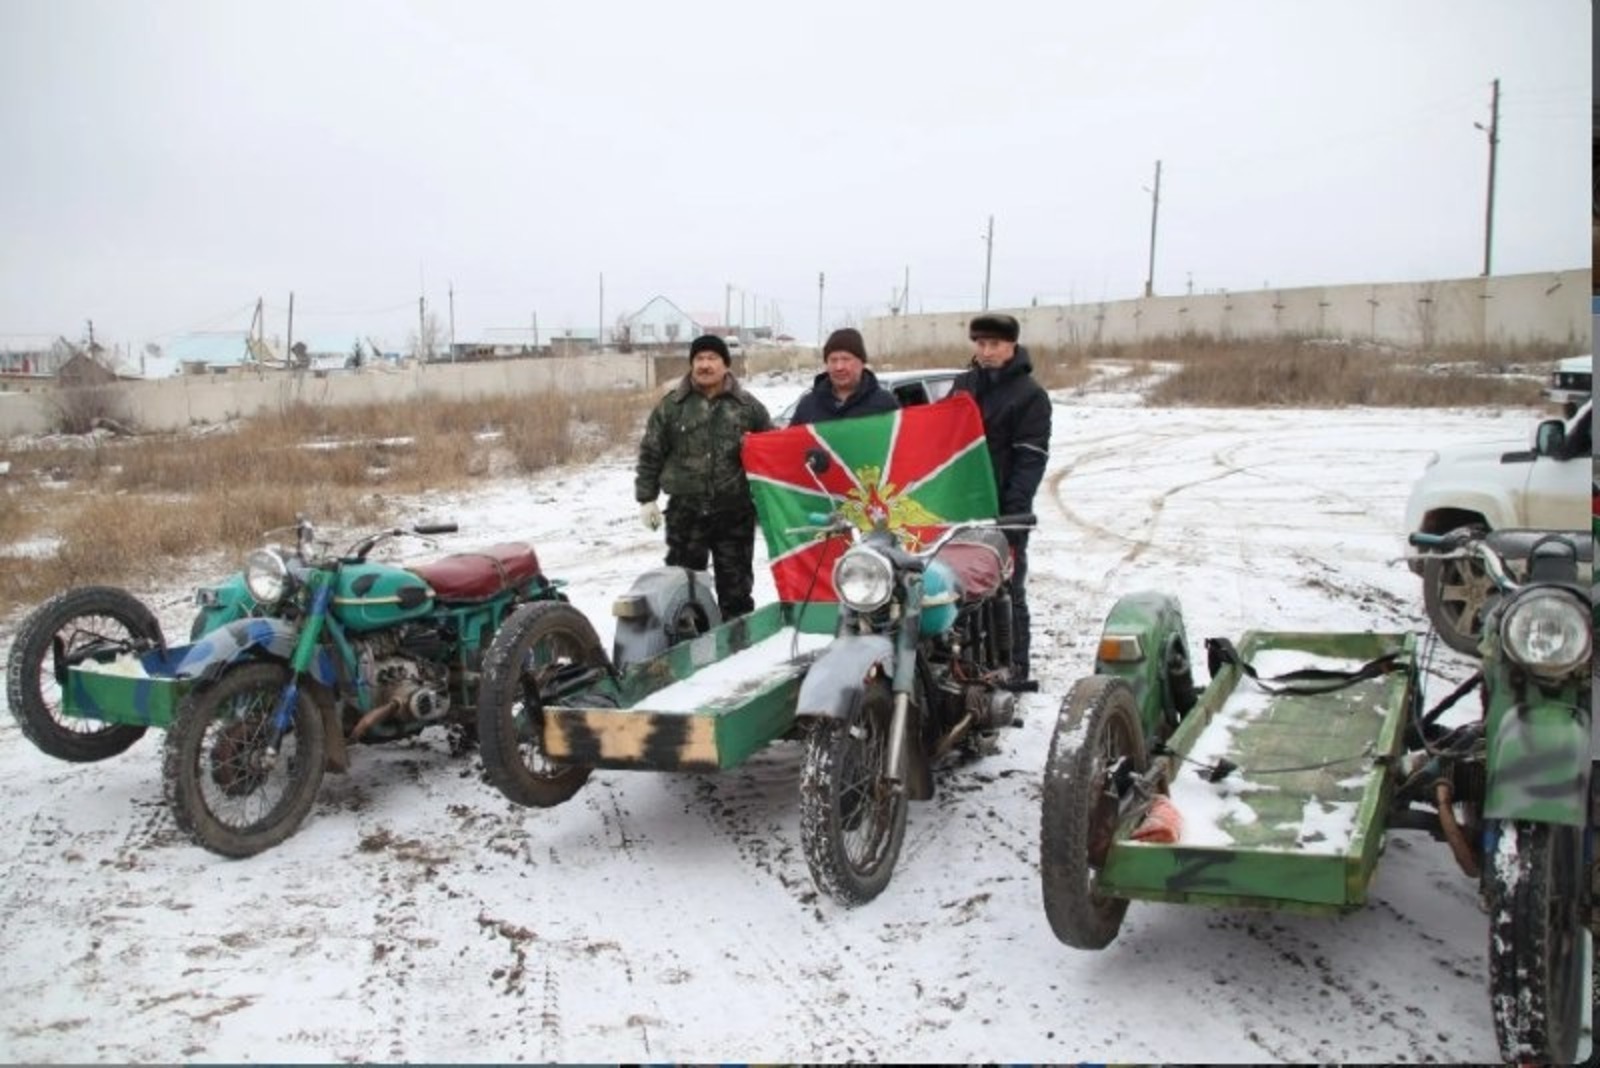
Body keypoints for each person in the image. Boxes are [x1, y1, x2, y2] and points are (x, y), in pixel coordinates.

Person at [635, 334, 773, 619]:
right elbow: (651, 452)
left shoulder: (748, 407)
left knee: (736, 594)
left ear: (726, 365)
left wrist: (770, 501)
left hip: (734, 513)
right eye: (699, 358)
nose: (705, 365)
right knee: (682, 592)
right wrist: (647, 498)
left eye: (712, 358)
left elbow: (772, 452)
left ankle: (738, 641)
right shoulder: (672, 406)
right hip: (686, 514)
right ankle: (689, 640)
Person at [950, 313, 1051, 681]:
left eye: (995, 344)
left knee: (1007, 589)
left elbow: (1030, 460)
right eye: (981, 344)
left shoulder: (1030, 395)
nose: (987, 351)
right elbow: (944, 439)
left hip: (1005, 510)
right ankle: (965, 664)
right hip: (960, 507)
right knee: (959, 587)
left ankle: (1016, 666)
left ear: (1012, 345)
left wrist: (1013, 516)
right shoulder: (964, 385)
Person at [789, 327, 899, 425]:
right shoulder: (808, 406)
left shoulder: (884, 404)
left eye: (846, 359)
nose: (839, 367)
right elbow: (791, 440)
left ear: (861, 362)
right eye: (833, 360)